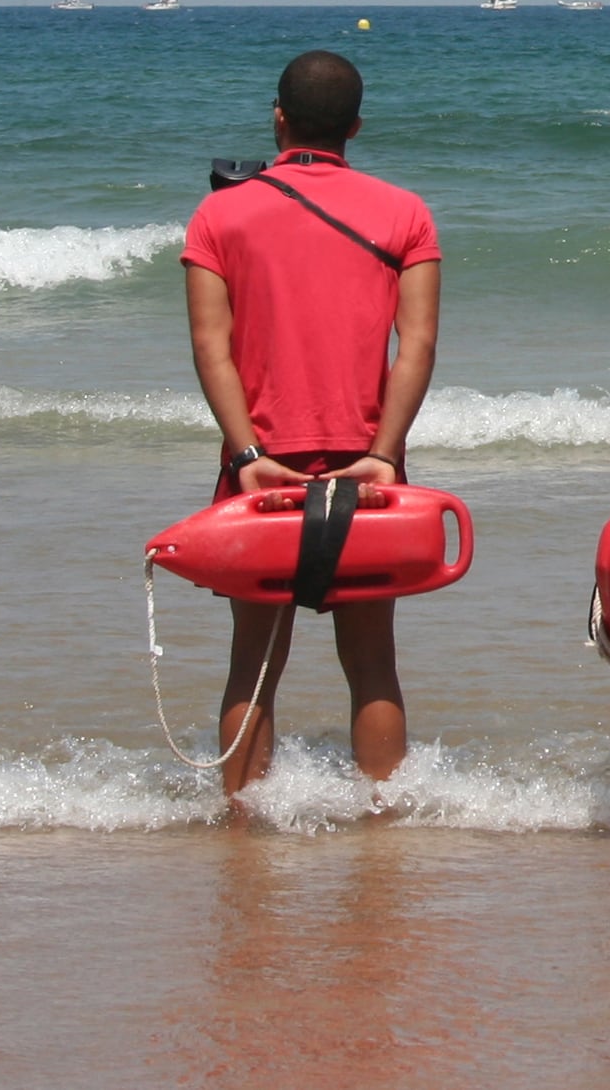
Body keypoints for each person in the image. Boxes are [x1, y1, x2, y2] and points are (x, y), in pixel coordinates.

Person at [181, 50, 442, 800]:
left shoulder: (219, 213)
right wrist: (385, 455)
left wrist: (249, 452)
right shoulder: (405, 212)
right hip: (366, 466)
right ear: (356, 127)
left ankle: (242, 832)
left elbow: (210, 346)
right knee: (371, 666)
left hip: (261, 467)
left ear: (278, 117)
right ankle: (383, 827)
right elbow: (417, 344)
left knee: (254, 663)